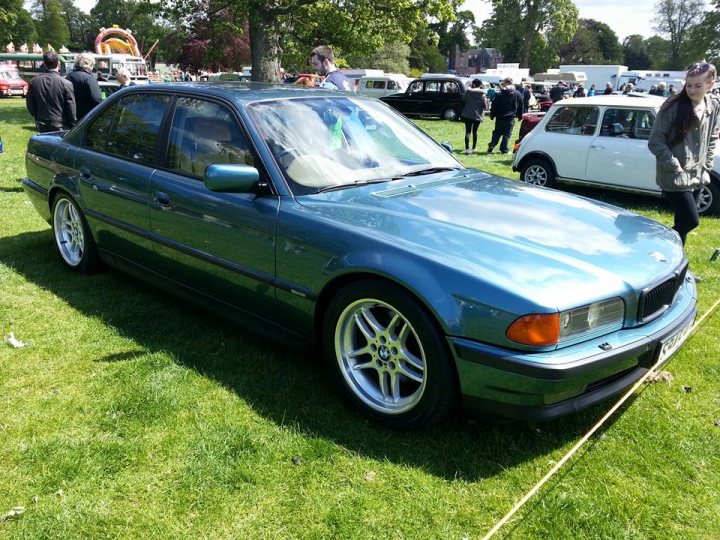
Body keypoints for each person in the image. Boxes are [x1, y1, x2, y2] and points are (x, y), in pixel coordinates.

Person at [648, 62, 720, 246]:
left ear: (710, 83)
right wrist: (674, 165)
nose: (692, 90)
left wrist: (707, 165)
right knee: (690, 221)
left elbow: (712, 136)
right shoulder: (673, 105)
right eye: (689, 85)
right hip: (674, 175)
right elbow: (655, 142)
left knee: (682, 224)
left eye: (698, 85)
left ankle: (679, 269)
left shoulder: (713, 105)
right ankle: (654, 245)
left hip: (698, 174)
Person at [26, 52, 76, 132]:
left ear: (44, 63)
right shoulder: (66, 83)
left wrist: (37, 116)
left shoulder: (34, 82)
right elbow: (71, 106)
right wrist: (72, 123)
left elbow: (30, 105)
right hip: (61, 123)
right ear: (58, 64)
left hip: (42, 121)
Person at [487, 77, 523, 154]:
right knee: (507, 134)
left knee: (497, 132)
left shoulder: (499, 93)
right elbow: (521, 105)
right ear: (512, 83)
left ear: (505, 83)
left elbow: (494, 105)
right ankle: (504, 149)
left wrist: (492, 115)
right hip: (510, 117)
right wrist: (520, 116)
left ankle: (492, 145)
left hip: (500, 116)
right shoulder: (517, 93)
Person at [65, 52, 101, 121]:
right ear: (89, 64)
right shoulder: (89, 78)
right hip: (87, 117)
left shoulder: (68, 76)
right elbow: (97, 99)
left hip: (71, 115)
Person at [460, 79, 488, 154]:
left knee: (468, 131)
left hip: (468, 114)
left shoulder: (468, 92)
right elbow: (485, 106)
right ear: (480, 85)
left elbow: (464, 99)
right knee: (475, 131)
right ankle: (474, 147)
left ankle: (467, 148)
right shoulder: (483, 94)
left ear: (474, 84)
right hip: (477, 115)